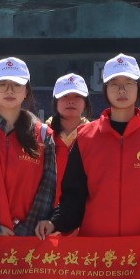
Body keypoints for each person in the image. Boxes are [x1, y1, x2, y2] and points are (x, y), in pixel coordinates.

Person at [41, 54, 140, 239]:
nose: (121, 90)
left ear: (138, 88)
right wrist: (54, 222)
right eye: (114, 84)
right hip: (96, 246)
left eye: (128, 83)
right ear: (105, 89)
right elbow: (74, 194)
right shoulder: (85, 136)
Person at [0, 57, 57, 237]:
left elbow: (48, 187)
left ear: (26, 91)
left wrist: (27, 229)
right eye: (3, 84)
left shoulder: (44, 135)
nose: (9, 90)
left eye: (16, 85)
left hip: (30, 238)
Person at [48, 74, 91, 202]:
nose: (71, 101)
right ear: (55, 102)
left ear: (85, 102)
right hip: (47, 210)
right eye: (65, 96)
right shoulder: (42, 135)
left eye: (77, 96)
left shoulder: (95, 136)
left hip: (83, 211)